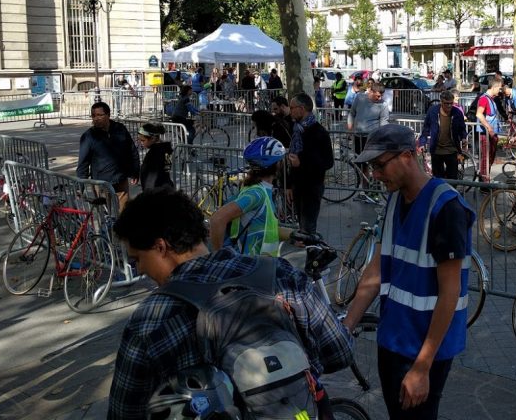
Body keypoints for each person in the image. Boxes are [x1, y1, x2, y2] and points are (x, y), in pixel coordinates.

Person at [107, 187, 352, 419]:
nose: (139, 268)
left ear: (161, 247)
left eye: (137, 259)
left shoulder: (150, 319)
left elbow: (124, 412)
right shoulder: (279, 274)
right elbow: (340, 351)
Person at [343, 125, 475, 420]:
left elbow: (450, 292)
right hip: (392, 338)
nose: (375, 175)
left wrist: (422, 367)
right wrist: (347, 326)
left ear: (406, 156)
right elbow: (377, 266)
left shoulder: (446, 207)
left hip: (423, 350)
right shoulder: (394, 199)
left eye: (379, 165)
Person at [209, 137, 292, 255]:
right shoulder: (256, 194)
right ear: (277, 164)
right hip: (250, 268)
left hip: (262, 267)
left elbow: (266, 230)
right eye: (282, 160)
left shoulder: (262, 189)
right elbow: (217, 219)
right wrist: (219, 256)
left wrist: (295, 235)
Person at [77, 101, 139, 211]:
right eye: (93, 116)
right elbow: (83, 163)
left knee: (123, 214)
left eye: (100, 115)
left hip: (121, 180)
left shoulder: (120, 129)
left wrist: (135, 171)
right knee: (106, 215)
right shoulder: (88, 136)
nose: (96, 118)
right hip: (101, 183)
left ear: (108, 115)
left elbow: (132, 150)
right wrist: (79, 187)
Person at [287, 93, 333, 234]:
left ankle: (312, 253)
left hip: (312, 186)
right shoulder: (296, 129)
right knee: (302, 227)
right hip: (298, 185)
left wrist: (301, 163)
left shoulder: (319, 132)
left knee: (308, 229)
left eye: (292, 107)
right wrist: (289, 185)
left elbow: (328, 162)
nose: (290, 111)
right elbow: (292, 160)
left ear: (302, 109)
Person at [348, 81, 391, 203]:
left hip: (373, 139)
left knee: (375, 165)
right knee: (362, 165)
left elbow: (384, 122)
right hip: (358, 136)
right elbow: (352, 113)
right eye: (377, 95)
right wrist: (350, 127)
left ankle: (375, 191)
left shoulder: (383, 105)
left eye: (381, 96)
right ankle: (365, 191)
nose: (380, 98)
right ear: (371, 91)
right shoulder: (359, 97)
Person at [417, 90, 467, 181]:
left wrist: (464, 138)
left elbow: (462, 129)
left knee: (453, 179)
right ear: (441, 102)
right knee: (438, 180)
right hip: (437, 151)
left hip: (452, 151)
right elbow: (426, 129)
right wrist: (422, 143)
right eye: (446, 103)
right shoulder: (433, 111)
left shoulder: (457, 113)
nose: (449, 106)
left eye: (451, 103)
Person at [475, 76, 503, 184]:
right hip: (485, 134)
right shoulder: (483, 99)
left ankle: (486, 180)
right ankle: (483, 183)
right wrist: (489, 128)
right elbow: (479, 114)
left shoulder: (491, 99)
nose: (500, 90)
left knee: (490, 157)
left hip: (491, 134)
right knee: (485, 159)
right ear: (494, 87)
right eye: (499, 88)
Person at [137, 122, 174, 190]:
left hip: (156, 191)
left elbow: (152, 177)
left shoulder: (155, 154)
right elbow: (167, 168)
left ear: (153, 138)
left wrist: (148, 193)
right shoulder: (165, 149)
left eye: (143, 140)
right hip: (165, 188)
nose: (140, 143)